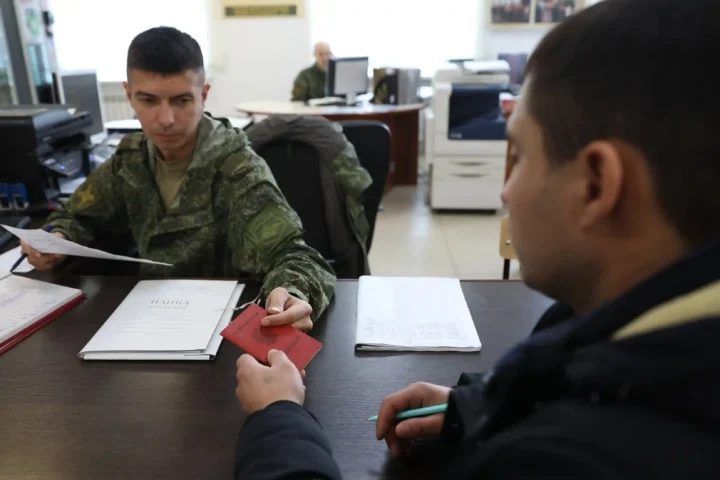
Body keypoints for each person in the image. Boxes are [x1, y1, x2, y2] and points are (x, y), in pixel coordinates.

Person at [231, 0, 720, 477]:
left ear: (596, 185)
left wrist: (277, 419)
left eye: (521, 155)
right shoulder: (624, 328)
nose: (506, 189)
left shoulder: (566, 457)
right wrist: (486, 405)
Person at [22, 27, 336, 329]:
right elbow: (78, 216)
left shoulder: (237, 169)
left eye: (181, 100)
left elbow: (297, 258)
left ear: (204, 94)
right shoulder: (131, 158)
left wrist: (292, 292)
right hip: (143, 322)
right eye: (148, 100)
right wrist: (57, 240)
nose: (166, 120)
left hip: (216, 334)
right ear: (129, 95)